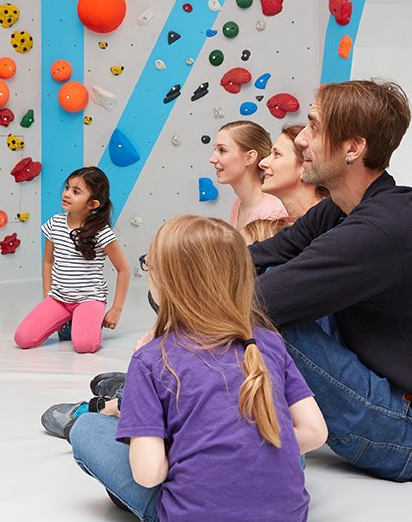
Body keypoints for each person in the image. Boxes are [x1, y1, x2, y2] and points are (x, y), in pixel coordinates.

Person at [69, 216, 327, 521]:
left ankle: (124, 413)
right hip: (288, 514)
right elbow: (315, 432)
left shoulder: (150, 358)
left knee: (86, 428)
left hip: (191, 514)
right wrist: (251, 448)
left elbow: (150, 474)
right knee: (281, 445)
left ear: (163, 283)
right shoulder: (267, 342)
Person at [250, 79, 412, 481]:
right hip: (376, 381)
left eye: (314, 127)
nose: (301, 139)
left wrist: (182, 291)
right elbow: (258, 257)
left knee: (259, 311)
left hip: (402, 429)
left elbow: (259, 299)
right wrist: (191, 271)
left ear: (353, 148)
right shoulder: (342, 209)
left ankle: (167, 393)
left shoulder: (378, 229)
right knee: (256, 285)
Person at [14, 167, 129, 354]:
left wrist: (116, 309)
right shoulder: (54, 223)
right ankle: (68, 321)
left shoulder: (101, 232)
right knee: (22, 339)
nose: (66, 194)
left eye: (76, 192)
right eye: (67, 188)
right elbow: (48, 262)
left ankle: (84, 321)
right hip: (59, 298)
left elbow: (124, 269)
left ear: (92, 204)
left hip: (89, 299)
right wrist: (47, 295)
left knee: (84, 346)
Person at [209, 120, 287, 231]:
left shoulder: (273, 213)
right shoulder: (238, 205)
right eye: (215, 149)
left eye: (222, 150)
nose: (212, 159)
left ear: (250, 157)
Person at [259, 124, 329, 220]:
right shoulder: (281, 226)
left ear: (306, 166)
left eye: (277, 155)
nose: (262, 163)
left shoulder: (329, 225)